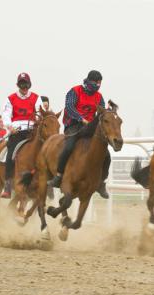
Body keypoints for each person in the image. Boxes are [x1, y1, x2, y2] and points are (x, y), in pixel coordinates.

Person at [47, 70, 111, 199]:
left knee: (106, 154)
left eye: (99, 83)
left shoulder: (99, 97)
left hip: (90, 127)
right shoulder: (74, 91)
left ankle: (101, 182)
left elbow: (102, 112)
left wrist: (108, 112)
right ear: (89, 81)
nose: (98, 85)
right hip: (73, 125)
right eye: (96, 82)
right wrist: (81, 119)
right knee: (69, 147)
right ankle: (59, 176)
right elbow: (69, 108)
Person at [0, 72, 42, 198]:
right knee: (10, 153)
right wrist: (10, 127)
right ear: (18, 85)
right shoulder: (10, 98)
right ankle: (7, 185)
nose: (24, 88)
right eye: (22, 85)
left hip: (31, 130)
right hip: (17, 131)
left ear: (29, 85)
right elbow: (6, 115)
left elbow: (39, 112)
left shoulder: (36, 97)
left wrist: (37, 122)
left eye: (26, 85)